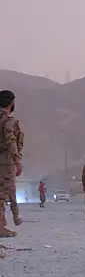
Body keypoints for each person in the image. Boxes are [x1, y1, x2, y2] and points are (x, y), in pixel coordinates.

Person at [0, 90, 21, 237]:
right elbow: (10, 139)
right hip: (4, 160)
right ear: (11, 103)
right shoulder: (7, 119)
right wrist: (17, 160)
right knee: (2, 194)